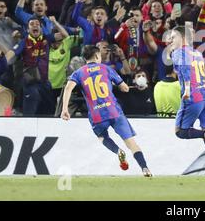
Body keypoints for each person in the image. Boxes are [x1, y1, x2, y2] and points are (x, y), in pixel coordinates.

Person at [61, 45, 152, 177]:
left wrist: (64, 109)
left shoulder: (79, 72)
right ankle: (145, 168)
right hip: (113, 111)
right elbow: (125, 89)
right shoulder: (106, 69)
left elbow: (68, 88)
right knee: (131, 143)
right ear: (97, 56)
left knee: (102, 136)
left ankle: (117, 151)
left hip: (96, 114)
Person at [169, 26, 205, 176]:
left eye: (173, 37)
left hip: (193, 96)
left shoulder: (178, 52)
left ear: (182, 38)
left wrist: (187, 89)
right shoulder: (197, 52)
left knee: (180, 131)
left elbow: (185, 69)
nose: (170, 40)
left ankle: (204, 135)